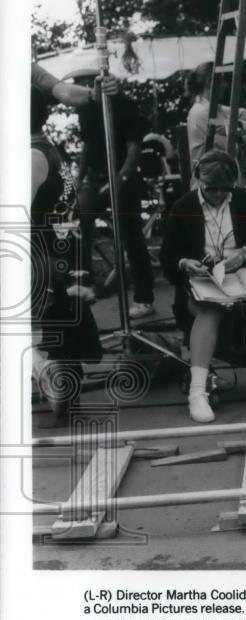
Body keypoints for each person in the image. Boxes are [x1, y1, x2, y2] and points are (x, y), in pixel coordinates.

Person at [159, 150, 246, 423]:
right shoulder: (183, 207)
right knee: (209, 310)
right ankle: (197, 391)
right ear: (199, 181)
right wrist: (184, 263)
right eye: (210, 188)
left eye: (224, 189)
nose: (217, 195)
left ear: (233, 183)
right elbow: (167, 254)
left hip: (244, 276)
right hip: (202, 281)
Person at [29, 63, 112, 424]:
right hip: (52, 257)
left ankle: (46, 370)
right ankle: (52, 366)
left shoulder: (28, 157)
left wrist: (97, 92)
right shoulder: (46, 151)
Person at [74, 73, 158, 319]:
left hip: (125, 175)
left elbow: (135, 147)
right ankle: (85, 284)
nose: (91, 87)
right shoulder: (86, 107)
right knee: (79, 223)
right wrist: (79, 177)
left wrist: (119, 179)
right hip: (95, 175)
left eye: (93, 83)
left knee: (131, 234)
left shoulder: (125, 104)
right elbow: (87, 145)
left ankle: (144, 298)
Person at [185, 61, 246, 188]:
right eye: (223, 81)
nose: (226, 85)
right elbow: (231, 144)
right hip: (211, 186)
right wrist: (242, 128)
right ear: (210, 82)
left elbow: (243, 114)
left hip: (218, 182)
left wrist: (241, 123)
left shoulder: (213, 108)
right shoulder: (203, 112)